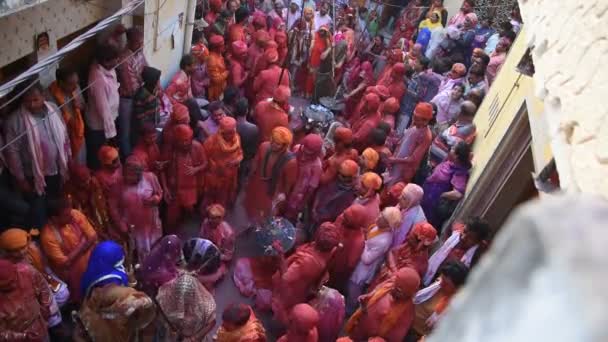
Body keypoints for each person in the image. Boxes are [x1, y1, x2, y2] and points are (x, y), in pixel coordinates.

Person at [3, 84, 71, 228]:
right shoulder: (14, 121)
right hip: (33, 176)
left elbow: (63, 133)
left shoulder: (53, 108)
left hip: (56, 169)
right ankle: (43, 235)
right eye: (28, 101)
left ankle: (57, 234)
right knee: (38, 210)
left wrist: (67, 157)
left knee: (54, 204)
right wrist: (21, 179)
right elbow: (12, 153)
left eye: (35, 100)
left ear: (43, 96)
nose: (32, 105)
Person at [76, 241, 155, 342]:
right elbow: (134, 300)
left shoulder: (89, 278)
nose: (122, 268)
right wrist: (141, 300)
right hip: (113, 331)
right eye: (119, 264)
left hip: (96, 330)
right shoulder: (114, 283)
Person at [272, 223, 340, 324]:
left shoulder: (307, 262)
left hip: (291, 289)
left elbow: (286, 278)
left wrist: (280, 254)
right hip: (303, 285)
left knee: (283, 307)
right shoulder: (330, 249)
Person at [41, 198, 98, 302]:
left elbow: (93, 236)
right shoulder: (48, 236)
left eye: (70, 211)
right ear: (54, 218)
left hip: (93, 263)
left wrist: (73, 254)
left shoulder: (75, 214)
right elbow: (64, 263)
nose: (71, 215)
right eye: (66, 215)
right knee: (83, 299)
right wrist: (83, 243)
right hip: (74, 276)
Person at [346, 206, 402, 313]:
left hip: (362, 271)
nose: (379, 216)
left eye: (384, 218)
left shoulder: (384, 241)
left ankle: (350, 311)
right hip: (357, 264)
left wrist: (362, 242)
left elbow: (367, 259)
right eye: (382, 214)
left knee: (353, 291)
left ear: (389, 225)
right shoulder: (377, 227)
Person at [109, 155, 163, 260]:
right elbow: (113, 206)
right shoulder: (118, 184)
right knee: (137, 252)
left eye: (132, 176)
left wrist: (156, 199)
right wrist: (120, 223)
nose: (129, 179)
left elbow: (159, 192)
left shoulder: (150, 177)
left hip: (150, 224)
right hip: (132, 226)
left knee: (154, 248)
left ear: (140, 174)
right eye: (127, 176)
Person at [346, 267, 420, 341]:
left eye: (399, 290)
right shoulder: (390, 285)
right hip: (359, 329)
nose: (393, 288)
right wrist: (367, 299)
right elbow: (375, 292)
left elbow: (394, 339)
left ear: (408, 294)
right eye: (394, 284)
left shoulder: (406, 313)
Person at [245, 127, 298, 221]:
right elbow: (255, 164)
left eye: (277, 144)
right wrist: (249, 178)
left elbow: (288, 184)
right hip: (257, 184)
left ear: (284, 145)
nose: (273, 145)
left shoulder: (291, 162)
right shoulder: (264, 146)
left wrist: (282, 196)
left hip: (273, 192)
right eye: (272, 141)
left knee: (266, 216)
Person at [161, 124, 207, 229]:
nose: (186, 143)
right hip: (174, 190)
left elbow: (205, 163)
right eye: (182, 141)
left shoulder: (197, 146)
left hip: (191, 188)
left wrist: (196, 169)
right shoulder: (169, 150)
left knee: (189, 209)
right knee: (171, 218)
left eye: (188, 140)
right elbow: (162, 170)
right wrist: (165, 188)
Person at [369, 222, 437, 291]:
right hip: (383, 279)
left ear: (420, 241)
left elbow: (401, 279)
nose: (408, 236)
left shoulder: (420, 262)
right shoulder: (410, 246)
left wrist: (391, 270)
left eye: (413, 235)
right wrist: (392, 267)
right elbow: (392, 252)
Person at [423, 217, 489, 286]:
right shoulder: (456, 231)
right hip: (427, 275)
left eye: (470, 237)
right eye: (464, 231)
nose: (463, 237)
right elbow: (452, 224)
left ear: (477, 242)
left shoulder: (475, 258)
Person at [155, 268, 217, 341]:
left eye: (187, 301)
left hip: (194, 336)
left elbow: (212, 322)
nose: (182, 305)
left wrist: (195, 338)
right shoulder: (166, 297)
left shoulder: (206, 304)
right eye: (179, 298)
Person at [411, 261, 469, 339]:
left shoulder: (456, 306)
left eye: (446, 283)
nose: (441, 284)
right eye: (442, 279)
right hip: (407, 321)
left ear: (457, 287)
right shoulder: (438, 285)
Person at [422, 141, 472, 230]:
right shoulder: (449, 160)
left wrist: (441, 195)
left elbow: (458, 194)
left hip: (432, 209)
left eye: (453, 149)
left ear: (457, 156)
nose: (450, 149)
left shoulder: (459, 172)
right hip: (425, 198)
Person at [0, 258, 52, 341]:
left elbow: (43, 288)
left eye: (14, 280)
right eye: (7, 285)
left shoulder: (27, 271)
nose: (13, 285)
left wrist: (45, 307)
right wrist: (24, 336)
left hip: (41, 325)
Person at [85, 46, 120, 168]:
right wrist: (112, 136)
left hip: (109, 120)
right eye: (115, 60)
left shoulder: (107, 67)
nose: (117, 62)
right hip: (100, 126)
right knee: (100, 157)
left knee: (106, 155)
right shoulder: (97, 78)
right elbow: (104, 109)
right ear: (105, 61)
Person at [116, 27, 147, 157]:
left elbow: (147, 68)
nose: (141, 45)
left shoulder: (139, 52)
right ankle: (128, 160)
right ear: (128, 42)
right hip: (126, 99)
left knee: (136, 127)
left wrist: (145, 79)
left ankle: (135, 153)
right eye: (137, 42)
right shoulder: (124, 59)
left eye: (142, 42)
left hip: (138, 96)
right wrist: (145, 81)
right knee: (125, 132)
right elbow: (131, 87)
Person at [386, 102, 433, 186]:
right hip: (395, 162)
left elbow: (413, 159)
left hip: (403, 169)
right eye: (413, 116)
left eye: (416, 118)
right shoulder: (414, 125)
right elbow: (402, 142)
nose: (414, 120)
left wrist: (395, 160)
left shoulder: (426, 136)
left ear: (425, 121)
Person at [64, 164, 116, 241]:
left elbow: (100, 206)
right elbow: (78, 216)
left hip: (98, 218)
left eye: (88, 180)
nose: (87, 183)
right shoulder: (69, 191)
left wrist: (107, 227)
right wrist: (97, 232)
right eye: (84, 182)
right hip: (83, 224)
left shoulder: (93, 182)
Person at [201, 116, 243, 208]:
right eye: (229, 133)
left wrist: (237, 160)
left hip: (231, 175)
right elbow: (204, 160)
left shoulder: (237, 138)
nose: (232, 134)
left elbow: (240, 153)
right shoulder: (211, 142)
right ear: (222, 132)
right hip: (215, 177)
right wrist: (216, 166)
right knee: (211, 198)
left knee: (225, 196)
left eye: (233, 131)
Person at [48, 67, 86, 164]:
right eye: (71, 84)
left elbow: (83, 105)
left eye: (76, 83)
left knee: (81, 164)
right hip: (63, 136)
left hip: (78, 132)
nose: (75, 87)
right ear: (60, 83)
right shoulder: (49, 96)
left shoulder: (75, 88)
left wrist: (79, 105)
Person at [327, 204, 367, 292]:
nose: (343, 217)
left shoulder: (358, 241)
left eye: (347, 218)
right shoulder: (342, 218)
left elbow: (350, 265)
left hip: (335, 274)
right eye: (345, 214)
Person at [285, 134, 324, 221]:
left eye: (309, 154)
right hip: (286, 186)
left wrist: (302, 205)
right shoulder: (296, 148)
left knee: (288, 216)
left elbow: (311, 188)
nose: (304, 156)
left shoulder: (317, 166)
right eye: (304, 151)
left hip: (296, 197)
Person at [429, 101, 477, 167]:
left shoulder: (466, 129)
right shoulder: (461, 123)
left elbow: (453, 143)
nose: (457, 111)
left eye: (459, 109)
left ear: (461, 113)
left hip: (439, 162)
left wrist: (444, 135)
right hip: (434, 157)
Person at [312, 159, 359, 225]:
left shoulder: (350, 195)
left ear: (352, 177)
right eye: (338, 173)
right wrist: (315, 206)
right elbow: (322, 191)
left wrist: (319, 217)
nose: (339, 176)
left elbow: (336, 213)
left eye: (343, 176)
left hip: (323, 221)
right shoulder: (335, 179)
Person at [199, 204, 235, 275]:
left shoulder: (228, 234)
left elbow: (228, 255)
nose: (210, 220)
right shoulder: (206, 223)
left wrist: (214, 256)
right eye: (209, 217)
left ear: (220, 219)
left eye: (213, 218)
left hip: (219, 256)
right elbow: (202, 237)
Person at [131, 66, 161, 146]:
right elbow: (140, 116)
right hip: (146, 131)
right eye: (158, 80)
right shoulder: (141, 95)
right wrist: (149, 128)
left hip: (154, 124)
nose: (159, 82)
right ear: (152, 81)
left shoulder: (154, 90)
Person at [393, 184, 427, 248]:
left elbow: (409, 243)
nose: (399, 198)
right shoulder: (405, 204)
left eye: (404, 198)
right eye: (401, 195)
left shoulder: (418, 221)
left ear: (412, 201)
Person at [207, 35, 230, 101]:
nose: (224, 47)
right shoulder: (212, 60)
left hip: (221, 88)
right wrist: (227, 72)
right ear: (215, 48)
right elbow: (216, 79)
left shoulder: (219, 54)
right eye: (222, 46)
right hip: (215, 92)